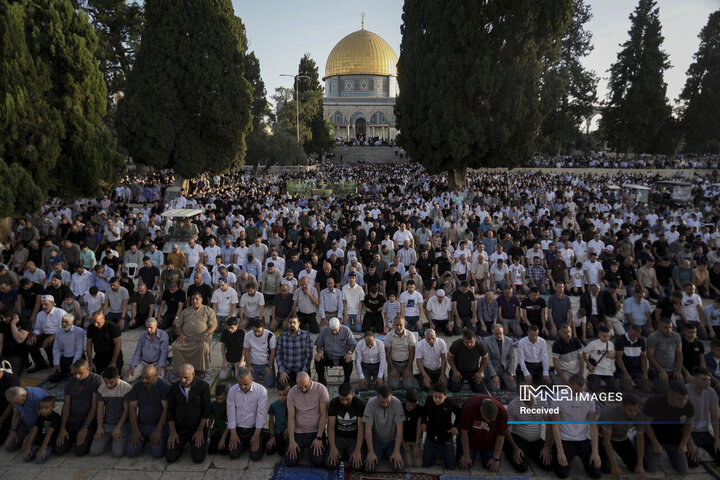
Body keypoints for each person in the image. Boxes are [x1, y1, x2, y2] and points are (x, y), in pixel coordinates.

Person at [550, 375, 602, 479]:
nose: (578, 394)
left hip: (583, 439)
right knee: (562, 473)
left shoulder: (589, 398)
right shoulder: (558, 397)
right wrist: (560, 452)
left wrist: (595, 452)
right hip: (565, 439)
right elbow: (555, 425)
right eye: (576, 391)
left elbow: (593, 426)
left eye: (581, 391)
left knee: (596, 473)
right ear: (569, 386)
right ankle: (559, 452)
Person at [54, 359, 103, 456]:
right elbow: (66, 405)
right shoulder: (71, 381)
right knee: (59, 449)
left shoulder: (96, 380)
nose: (77, 376)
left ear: (88, 369)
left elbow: (94, 406)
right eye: (75, 373)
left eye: (80, 373)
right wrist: (63, 427)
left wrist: (85, 426)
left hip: (87, 421)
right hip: (72, 420)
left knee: (80, 451)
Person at [643, 381, 695, 474]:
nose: (683, 402)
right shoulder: (654, 403)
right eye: (679, 399)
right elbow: (646, 424)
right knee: (651, 468)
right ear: (670, 395)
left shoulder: (688, 405)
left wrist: (684, 443)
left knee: (683, 470)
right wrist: (656, 444)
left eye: (685, 399)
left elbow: (689, 424)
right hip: (655, 437)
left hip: (674, 439)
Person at [165, 364, 211, 463]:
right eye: (180, 377)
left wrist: (200, 431)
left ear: (193, 374)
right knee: (170, 457)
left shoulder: (203, 387)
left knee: (198, 458)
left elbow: (206, 410)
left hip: (196, 428)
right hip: (180, 429)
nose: (183, 381)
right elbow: (170, 411)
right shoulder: (173, 388)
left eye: (186, 378)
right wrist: (173, 432)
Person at [285, 371, 329, 467]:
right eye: (300, 387)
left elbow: (323, 416)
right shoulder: (292, 392)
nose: (303, 389)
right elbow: (291, 418)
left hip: (315, 432)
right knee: (290, 461)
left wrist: (319, 437)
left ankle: (310, 449)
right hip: (299, 431)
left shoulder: (321, 389)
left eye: (306, 386)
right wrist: (292, 440)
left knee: (318, 461)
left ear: (310, 380)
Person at [598, 393, 647, 479]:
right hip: (603, 437)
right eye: (630, 410)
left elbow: (640, 439)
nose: (633, 413)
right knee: (606, 468)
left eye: (635, 410)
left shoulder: (639, 415)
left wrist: (640, 464)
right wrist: (614, 466)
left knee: (638, 466)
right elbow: (606, 440)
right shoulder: (609, 413)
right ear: (622, 407)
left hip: (621, 437)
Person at [126, 365, 170, 458]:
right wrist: (135, 430)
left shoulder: (164, 386)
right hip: (141, 425)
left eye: (147, 378)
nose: (144, 381)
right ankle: (145, 439)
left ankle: (162, 437)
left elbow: (166, 410)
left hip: (158, 426)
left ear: (155, 376)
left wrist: (158, 431)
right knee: (131, 453)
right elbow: (132, 409)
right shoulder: (137, 387)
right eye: (142, 378)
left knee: (156, 454)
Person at [225, 366, 269, 461]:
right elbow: (231, 413)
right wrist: (233, 433)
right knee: (233, 454)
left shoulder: (261, 391)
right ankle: (244, 443)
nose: (243, 387)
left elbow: (261, 415)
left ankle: (263, 436)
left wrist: (257, 434)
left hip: (254, 429)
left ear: (252, 380)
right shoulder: (232, 391)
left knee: (255, 456)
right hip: (239, 430)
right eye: (240, 384)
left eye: (245, 384)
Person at [503, 393, 554, 473]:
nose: (526, 395)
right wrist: (515, 448)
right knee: (522, 467)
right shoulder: (513, 405)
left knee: (549, 465)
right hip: (519, 438)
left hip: (536, 439)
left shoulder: (542, 402)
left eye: (527, 392)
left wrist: (546, 446)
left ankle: (528, 453)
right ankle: (507, 447)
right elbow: (505, 428)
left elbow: (549, 425)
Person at [458, 394, 507, 472]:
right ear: (481, 409)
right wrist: (466, 455)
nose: (488, 421)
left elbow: (501, 435)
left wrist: (496, 458)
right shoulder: (469, 407)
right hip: (471, 441)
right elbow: (464, 432)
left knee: (491, 466)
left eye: (491, 420)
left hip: (489, 442)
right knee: (465, 464)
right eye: (486, 418)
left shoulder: (502, 412)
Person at [173, 291, 217, 376]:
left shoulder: (208, 310)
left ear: (201, 299)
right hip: (187, 339)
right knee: (176, 346)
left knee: (204, 347)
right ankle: (181, 369)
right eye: (193, 299)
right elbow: (178, 325)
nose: (194, 301)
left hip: (201, 338)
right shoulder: (186, 311)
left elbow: (214, 326)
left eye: (197, 299)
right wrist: (181, 334)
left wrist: (206, 334)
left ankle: (200, 370)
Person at [363, 385, 406, 472]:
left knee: (399, 468)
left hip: (392, 441)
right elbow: (367, 429)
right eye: (382, 402)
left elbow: (400, 429)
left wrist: (397, 451)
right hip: (376, 440)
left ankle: (387, 454)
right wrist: (371, 452)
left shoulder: (397, 403)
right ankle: (379, 453)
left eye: (388, 402)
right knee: (369, 469)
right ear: (377, 396)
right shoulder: (371, 403)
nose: (385, 404)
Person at [90, 366, 131, 457]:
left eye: (111, 382)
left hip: (121, 424)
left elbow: (126, 411)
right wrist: (99, 427)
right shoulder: (101, 388)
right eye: (106, 382)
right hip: (107, 424)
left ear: (118, 378)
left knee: (117, 453)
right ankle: (109, 438)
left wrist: (118, 428)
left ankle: (121, 436)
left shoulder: (126, 388)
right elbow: (100, 409)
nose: (108, 385)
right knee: (94, 451)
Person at [421, 382, 461, 469]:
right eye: (435, 396)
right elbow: (424, 411)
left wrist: (455, 426)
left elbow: (460, 414)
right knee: (426, 464)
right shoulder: (429, 400)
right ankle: (437, 453)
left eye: (440, 397)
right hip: (431, 436)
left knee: (451, 466)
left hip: (446, 437)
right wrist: (423, 422)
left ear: (446, 396)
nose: (437, 400)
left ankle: (441, 453)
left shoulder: (450, 403)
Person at [326, 382, 365, 470]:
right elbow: (330, 428)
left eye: (347, 399)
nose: (344, 402)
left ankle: (347, 453)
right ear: (339, 395)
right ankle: (343, 454)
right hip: (339, 438)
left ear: (352, 394)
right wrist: (332, 447)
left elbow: (361, 429)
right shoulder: (333, 403)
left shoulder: (359, 403)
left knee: (358, 465)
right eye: (342, 399)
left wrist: (358, 450)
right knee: (330, 464)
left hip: (353, 439)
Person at [686, 367, 720, 466]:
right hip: (690, 432)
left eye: (709, 380)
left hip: (705, 432)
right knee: (692, 463)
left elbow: (715, 417)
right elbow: (680, 422)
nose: (707, 382)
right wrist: (690, 443)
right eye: (704, 379)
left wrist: (717, 439)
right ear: (694, 379)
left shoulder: (711, 392)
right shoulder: (685, 391)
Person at [4, 386, 50, 452]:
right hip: (26, 422)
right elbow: (16, 414)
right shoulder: (16, 399)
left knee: (26, 448)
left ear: (23, 396)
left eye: (16, 403)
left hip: (39, 425)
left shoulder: (38, 398)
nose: (14, 405)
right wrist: (13, 430)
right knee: (9, 446)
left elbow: (43, 419)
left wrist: (30, 436)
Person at [314, 317, 356, 385]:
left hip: (342, 356)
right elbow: (319, 344)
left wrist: (349, 353)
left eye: (335, 330)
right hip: (328, 355)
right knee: (317, 359)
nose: (333, 332)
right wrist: (319, 352)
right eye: (331, 330)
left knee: (349, 360)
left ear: (339, 325)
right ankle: (321, 380)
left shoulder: (346, 330)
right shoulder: (324, 331)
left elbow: (353, 344)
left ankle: (346, 381)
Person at [27, 294, 64, 373]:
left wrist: (51, 337)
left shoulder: (61, 312)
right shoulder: (40, 314)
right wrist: (34, 335)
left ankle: (55, 366)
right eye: (42, 305)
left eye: (46, 304)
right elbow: (37, 328)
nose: (43, 306)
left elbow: (64, 329)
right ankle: (41, 364)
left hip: (59, 335)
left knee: (49, 344)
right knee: (30, 343)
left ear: (52, 303)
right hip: (45, 334)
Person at [647, 317, 683, 392]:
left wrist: (678, 370)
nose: (669, 330)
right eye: (666, 328)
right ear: (660, 327)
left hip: (672, 369)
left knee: (680, 389)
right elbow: (650, 356)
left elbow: (679, 354)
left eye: (670, 327)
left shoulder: (676, 336)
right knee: (665, 391)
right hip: (657, 370)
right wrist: (661, 371)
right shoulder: (653, 337)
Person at [276, 316, 313, 387]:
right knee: (283, 389)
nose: (292, 324)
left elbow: (309, 356)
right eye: (290, 323)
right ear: (288, 324)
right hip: (287, 370)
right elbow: (278, 355)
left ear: (298, 323)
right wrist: (282, 371)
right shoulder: (282, 337)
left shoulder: (306, 336)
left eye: (294, 322)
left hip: (301, 369)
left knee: (303, 388)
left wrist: (303, 372)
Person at [615, 324, 652, 393]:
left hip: (637, 370)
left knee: (647, 389)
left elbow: (643, 358)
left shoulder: (641, 341)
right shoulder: (620, 340)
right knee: (628, 389)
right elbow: (618, 358)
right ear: (628, 331)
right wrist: (625, 374)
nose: (635, 338)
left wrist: (645, 373)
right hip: (624, 369)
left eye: (637, 336)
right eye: (633, 335)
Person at [385, 316, 420, 390]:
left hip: (406, 363)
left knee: (408, 386)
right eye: (396, 325)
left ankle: (411, 378)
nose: (398, 327)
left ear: (405, 324)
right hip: (394, 363)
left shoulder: (410, 335)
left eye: (400, 325)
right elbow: (387, 354)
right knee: (393, 386)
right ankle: (399, 378)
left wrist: (408, 369)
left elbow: (412, 353)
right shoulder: (389, 336)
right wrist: (393, 369)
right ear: (393, 324)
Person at [22, 396, 60, 463]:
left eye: (46, 408)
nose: (43, 410)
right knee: (26, 458)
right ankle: (37, 451)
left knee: (39, 460)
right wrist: (28, 447)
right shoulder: (40, 417)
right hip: (37, 443)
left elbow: (49, 435)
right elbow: (34, 432)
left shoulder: (55, 418)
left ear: (53, 407)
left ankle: (49, 452)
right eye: (41, 408)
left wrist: (42, 449)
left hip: (48, 445)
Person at [49, 313, 84, 383]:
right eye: (62, 322)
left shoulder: (79, 331)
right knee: (53, 378)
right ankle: (67, 372)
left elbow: (79, 349)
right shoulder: (59, 331)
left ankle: (70, 373)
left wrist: (74, 363)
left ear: (72, 322)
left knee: (75, 379)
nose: (64, 324)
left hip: (77, 358)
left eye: (66, 322)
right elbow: (56, 349)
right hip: (65, 358)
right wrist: (56, 363)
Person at [242, 318, 277, 388]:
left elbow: (273, 352)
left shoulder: (270, 335)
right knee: (249, 384)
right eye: (255, 331)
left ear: (263, 328)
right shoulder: (248, 336)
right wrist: (249, 366)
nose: (257, 333)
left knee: (269, 384)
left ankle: (263, 376)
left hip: (266, 364)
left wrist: (269, 367)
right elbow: (246, 351)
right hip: (253, 364)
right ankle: (259, 376)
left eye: (259, 331)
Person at [483, 323, 517, 392]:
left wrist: (511, 373)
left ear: (503, 331)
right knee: (495, 388)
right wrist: (494, 375)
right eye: (496, 333)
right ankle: (491, 380)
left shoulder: (509, 341)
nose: (499, 335)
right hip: (493, 368)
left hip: (504, 369)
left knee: (513, 387)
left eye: (500, 333)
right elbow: (487, 360)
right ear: (493, 332)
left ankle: (502, 381)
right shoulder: (486, 341)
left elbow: (512, 358)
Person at [584, 326, 617, 393]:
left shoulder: (611, 344)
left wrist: (612, 356)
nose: (606, 338)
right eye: (604, 336)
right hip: (595, 370)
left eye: (608, 336)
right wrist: (589, 364)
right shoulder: (593, 344)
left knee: (615, 389)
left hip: (607, 370)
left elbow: (614, 355)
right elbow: (583, 354)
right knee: (594, 389)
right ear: (599, 335)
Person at [0, 308, 31, 376]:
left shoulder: (24, 322)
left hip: (18, 354)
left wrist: (13, 325)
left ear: (13, 316)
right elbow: (1, 342)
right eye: (2, 318)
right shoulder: (3, 323)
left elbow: (19, 340)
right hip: (5, 353)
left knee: (11, 375)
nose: (3, 320)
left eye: (5, 318)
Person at [265, 383, 289, 456]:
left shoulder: (292, 404)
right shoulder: (274, 405)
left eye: (285, 395)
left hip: (287, 431)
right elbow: (271, 422)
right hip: (277, 431)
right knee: (269, 451)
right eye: (280, 395)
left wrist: (288, 428)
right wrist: (272, 436)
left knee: (282, 452)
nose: (282, 397)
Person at [207, 384, 228, 455]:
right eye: (217, 398)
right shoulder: (213, 404)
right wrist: (209, 429)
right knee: (211, 451)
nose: (219, 401)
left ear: (226, 396)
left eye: (221, 398)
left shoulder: (229, 405)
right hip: (217, 429)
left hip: (226, 431)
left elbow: (229, 423)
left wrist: (223, 439)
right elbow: (211, 417)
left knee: (223, 452)